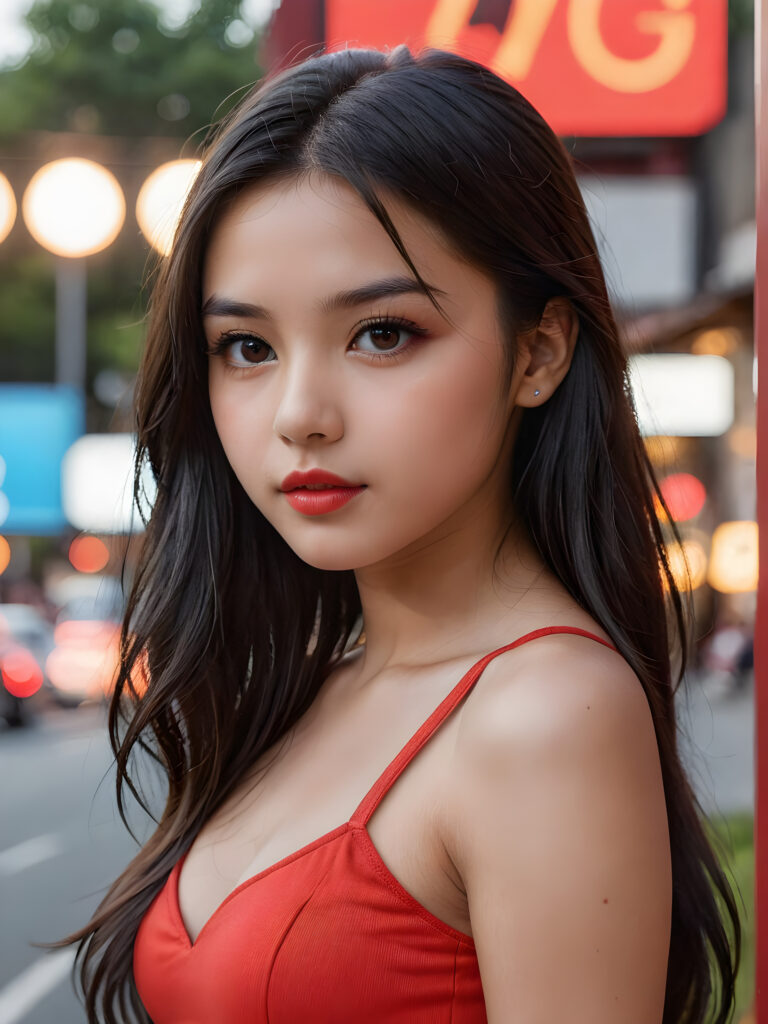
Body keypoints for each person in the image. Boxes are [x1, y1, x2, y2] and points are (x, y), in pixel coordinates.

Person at [59, 45, 740, 1023]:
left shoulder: (547, 713)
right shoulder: (318, 686)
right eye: (246, 347)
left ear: (537, 351)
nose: (301, 413)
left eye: (381, 332)